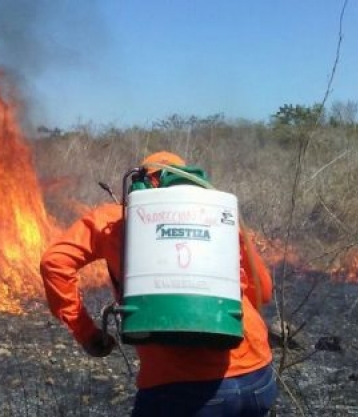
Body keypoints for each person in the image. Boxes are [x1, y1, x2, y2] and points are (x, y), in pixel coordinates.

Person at [39, 151, 277, 416]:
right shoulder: (217, 215)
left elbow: (54, 262)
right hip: (256, 376)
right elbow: (263, 291)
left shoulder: (114, 219)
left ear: (140, 181)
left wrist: (87, 333)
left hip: (179, 388)